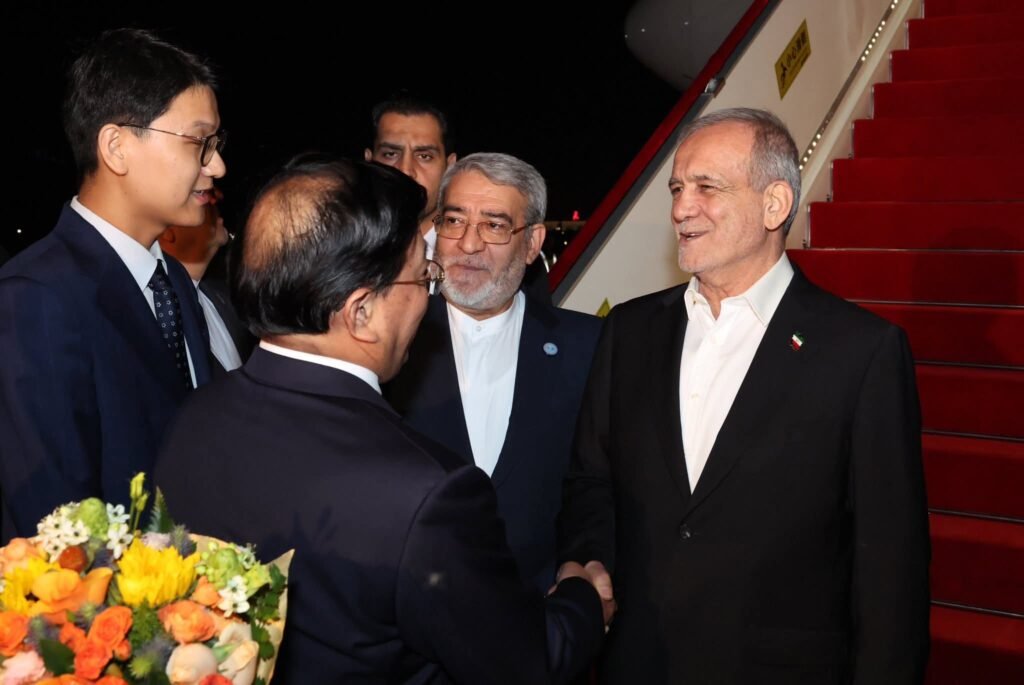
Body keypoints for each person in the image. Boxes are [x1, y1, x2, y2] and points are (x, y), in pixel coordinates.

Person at [156, 157, 610, 684]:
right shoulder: (424, 494)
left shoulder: (193, 417)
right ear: (361, 312)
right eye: (422, 276)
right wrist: (582, 598)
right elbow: (524, 664)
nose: (428, 295)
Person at [558, 107, 930, 684]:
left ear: (774, 204)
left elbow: (890, 567)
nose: (681, 208)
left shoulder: (862, 352)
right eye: (677, 188)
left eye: (707, 187)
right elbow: (591, 480)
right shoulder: (629, 331)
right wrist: (591, 562)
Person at [0, 28, 224, 541]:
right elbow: (57, 530)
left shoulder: (172, 283)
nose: (217, 165)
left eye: (216, 144)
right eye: (199, 142)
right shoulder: (34, 299)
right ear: (117, 148)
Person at [387, 152, 601, 593]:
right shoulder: (387, 340)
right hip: (406, 610)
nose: (468, 244)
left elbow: (597, 486)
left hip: (539, 611)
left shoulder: (589, 346)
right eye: (454, 221)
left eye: (494, 225)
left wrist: (582, 563)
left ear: (533, 242)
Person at [159, 187, 254, 374]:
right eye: (197, 195)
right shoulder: (160, 317)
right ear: (167, 232)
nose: (214, 200)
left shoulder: (228, 297)